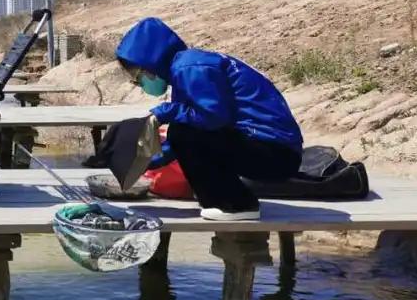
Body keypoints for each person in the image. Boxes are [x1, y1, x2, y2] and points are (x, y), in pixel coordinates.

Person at [115, 17, 303, 221]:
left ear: (150, 63)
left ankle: (235, 204)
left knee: (183, 132)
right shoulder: (186, 67)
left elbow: (213, 118)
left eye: (138, 76)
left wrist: (165, 111)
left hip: (275, 152)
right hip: (271, 148)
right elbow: (187, 133)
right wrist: (146, 163)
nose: (138, 82)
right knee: (182, 131)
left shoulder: (189, 67)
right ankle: (224, 199)